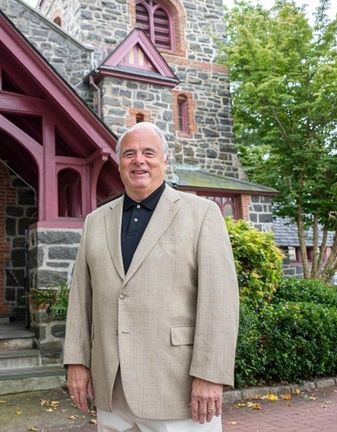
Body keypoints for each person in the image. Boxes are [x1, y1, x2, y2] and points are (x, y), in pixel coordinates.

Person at [63, 122, 239, 431]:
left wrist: (210, 374)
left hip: (178, 389)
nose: (138, 160)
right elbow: (81, 298)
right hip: (112, 389)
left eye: (148, 153)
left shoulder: (202, 214)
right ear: (119, 164)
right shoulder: (95, 221)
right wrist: (77, 362)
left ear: (165, 160)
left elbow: (220, 301)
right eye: (129, 153)